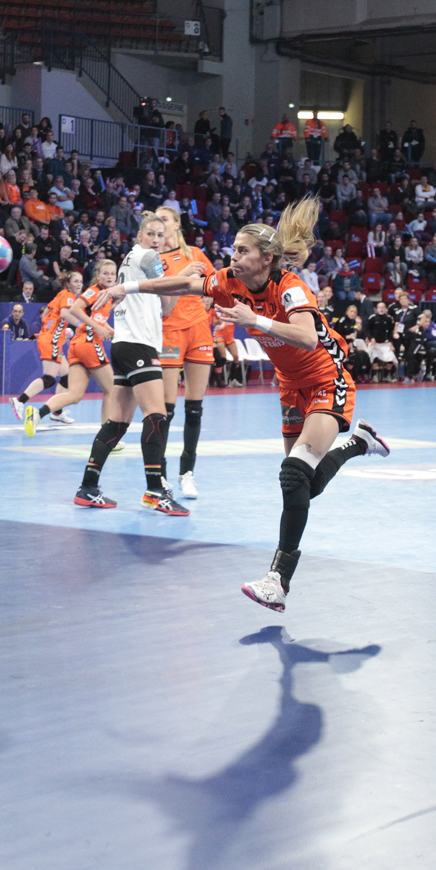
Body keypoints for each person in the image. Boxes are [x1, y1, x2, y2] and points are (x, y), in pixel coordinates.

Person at [109, 199, 388, 610]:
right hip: (290, 386)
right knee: (302, 487)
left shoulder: (289, 286)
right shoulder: (231, 281)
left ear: (266, 259)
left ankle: (278, 580)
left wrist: (252, 320)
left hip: (328, 379)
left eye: (242, 251)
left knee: (293, 476)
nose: (232, 258)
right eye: (233, 250)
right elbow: (183, 285)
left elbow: (308, 337)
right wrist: (126, 287)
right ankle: (358, 443)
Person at [69, 213, 188, 516]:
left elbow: (166, 304)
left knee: (118, 422)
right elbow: (168, 286)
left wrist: (179, 283)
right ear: (139, 236)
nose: (157, 240)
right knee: (157, 415)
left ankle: (88, 487)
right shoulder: (147, 256)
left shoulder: (134, 261)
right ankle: (154, 491)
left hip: (125, 343)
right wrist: (187, 273)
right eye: (151, 233)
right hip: (137, 344)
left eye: (161, 235)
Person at [154, 205, 216, 499]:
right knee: (165, 409)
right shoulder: (154, 259)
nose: (160, 223)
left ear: (177, 224)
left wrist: (211, 302)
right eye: (155, 219)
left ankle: (187, 472)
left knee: (195, 407)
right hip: (170, 331)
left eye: (164, 219)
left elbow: (216, 285)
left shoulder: (196, 254)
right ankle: (161, 475)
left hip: (199, 331)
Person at [26, 259, 116, 433]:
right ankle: (107, 437)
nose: (109, 276)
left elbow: (98, 320)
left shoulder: (106, 295)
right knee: (112, 390)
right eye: (106, 273)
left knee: (74, 395)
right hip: (89, 344)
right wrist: (97, 327)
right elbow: (74, 309)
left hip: (77, 346)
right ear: (98, 275)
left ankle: (37, 414)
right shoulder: (95, 290)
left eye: (113, 273)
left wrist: (109, 330)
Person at [10, 271, 84, 421]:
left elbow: (45, 316)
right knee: (49, 378)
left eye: (81, 281)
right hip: (52, 340)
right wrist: (82, 325)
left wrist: (58, 330)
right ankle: (20, 401)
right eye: (75, 281)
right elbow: (64, 313)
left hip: (48, 338)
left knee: (66, 377)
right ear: (68, 283)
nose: (79, 284)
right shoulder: (68, 296)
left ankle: (57, 413)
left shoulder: (60, 295)